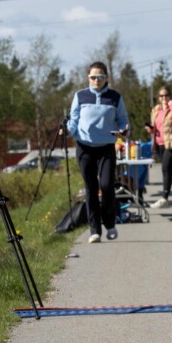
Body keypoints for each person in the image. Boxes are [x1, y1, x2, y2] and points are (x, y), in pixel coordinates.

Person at [66, 62, 130, 244]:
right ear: (88, 78)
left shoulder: (115, 97)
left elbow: (123, 120)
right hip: (85, 147)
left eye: (100, 77)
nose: (96, 80)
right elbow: (73, 120)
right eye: (93, 77)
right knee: (91, 188)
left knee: (107, 186)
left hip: (106, 147)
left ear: (106, 78)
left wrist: (124, 130)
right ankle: (94, 230)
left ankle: (110, 224)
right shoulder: (80, 96)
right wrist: (67, 131)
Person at [145, 85, 172, 208]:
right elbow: (155, 128)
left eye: (166, 95)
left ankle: (164, 198)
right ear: (159, 97)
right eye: (161, 96)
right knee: (171, 171)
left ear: (170, 96)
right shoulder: (156, 110)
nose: (164, 98)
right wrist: (150, 129)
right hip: (159, 144)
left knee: (165, 168)